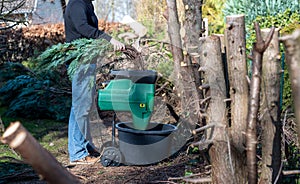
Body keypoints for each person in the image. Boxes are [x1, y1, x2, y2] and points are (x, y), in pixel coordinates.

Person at [64, 0, 125, 165]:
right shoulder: (77, 3)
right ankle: (77, 153)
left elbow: (89, 31)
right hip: (80, 60)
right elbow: (82, 27)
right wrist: (109, 39)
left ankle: (83, 146)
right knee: (80, 106)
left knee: (83, 105)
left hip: (87, 59)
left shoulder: (86, 3)